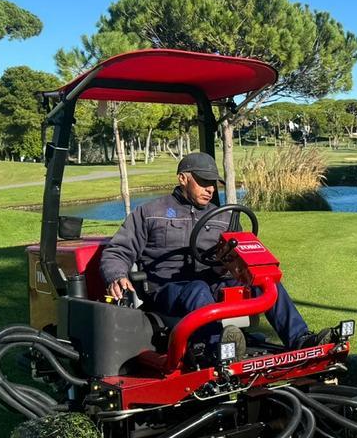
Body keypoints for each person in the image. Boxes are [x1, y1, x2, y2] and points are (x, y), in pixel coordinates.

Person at [99, 152, 331, 359]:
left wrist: (235, 266)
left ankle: (300, 340)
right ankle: (217, 348)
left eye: (213, 183)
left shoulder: (223, 217)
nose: (210, 188)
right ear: (183, 178)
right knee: (197, 288)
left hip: (214, 282)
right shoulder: (150, 213)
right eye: (203, 182)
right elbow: (118, 249)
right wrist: (117, 275)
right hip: (167, 288)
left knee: (266, 281)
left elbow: (242, 253)